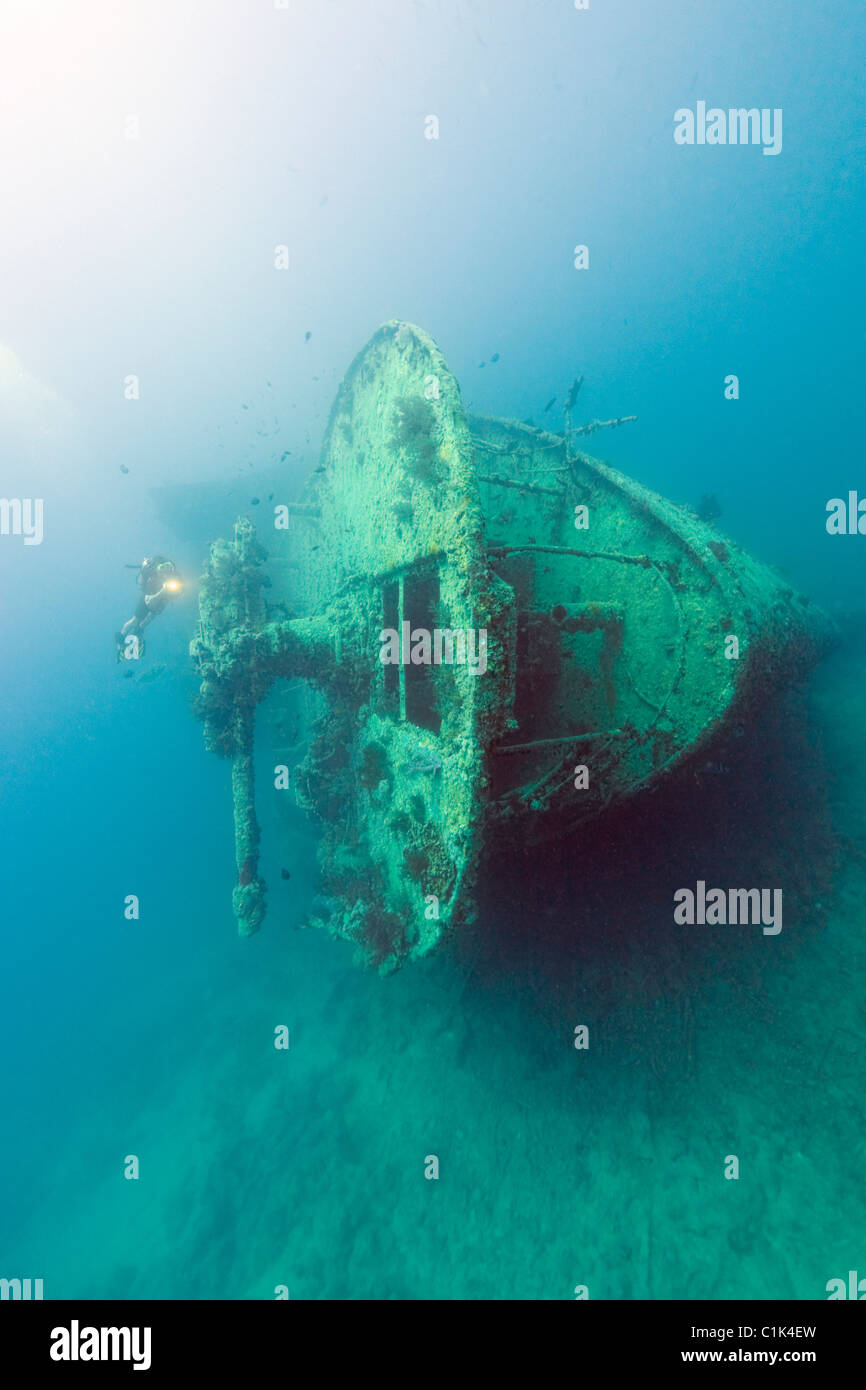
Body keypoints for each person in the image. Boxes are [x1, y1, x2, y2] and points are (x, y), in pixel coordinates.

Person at [115, 556, 183, 660]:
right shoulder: (151, 577)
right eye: (162, 568)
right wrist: (163, 590)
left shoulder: (175, 576)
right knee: (135, 620)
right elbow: (148, 598)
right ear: (157, 569)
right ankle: (120, 640)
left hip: (162, 600)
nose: (165, 572)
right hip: (147, 598)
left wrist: (174, 591)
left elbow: (180, 590)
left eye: (168, 568)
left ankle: (139, 631)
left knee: (148, 620)